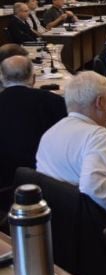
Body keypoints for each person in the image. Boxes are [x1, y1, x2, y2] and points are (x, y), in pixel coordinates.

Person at [36, 71, 106, 219]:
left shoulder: (50, 133)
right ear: (100, 103)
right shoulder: (98, 135)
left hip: (66, 220)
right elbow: (93, 186)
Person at [0, 56, 67, 187]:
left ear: (2, 79)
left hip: (3, 179)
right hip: (46, 179)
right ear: (33, 77)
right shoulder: (54, 102)